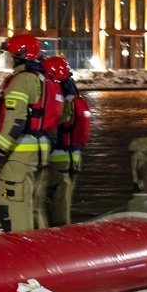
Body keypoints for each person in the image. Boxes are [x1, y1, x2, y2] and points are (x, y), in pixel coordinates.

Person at [0, 34, 60, 232]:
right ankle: (43, 252)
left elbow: (15, 120)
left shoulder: (22, 81)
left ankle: (21, 255)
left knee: (14, 207)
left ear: (20, 55)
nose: (9, 59)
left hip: (20, 154)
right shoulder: (47, 80)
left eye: (11, 55)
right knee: (35, 208)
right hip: (41, 153)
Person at [41, 56, 91, 226]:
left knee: (52, 204)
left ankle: (56, 241)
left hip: (57, 158)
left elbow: (54, 123)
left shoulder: (59, 96)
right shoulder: (74, 95)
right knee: (63, 202)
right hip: (73, 157)